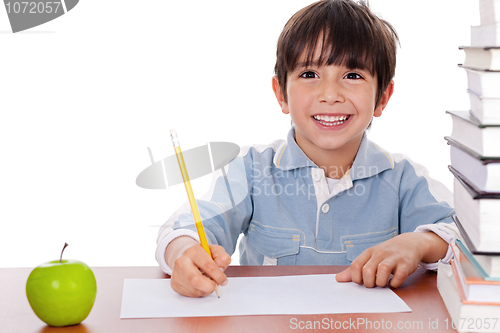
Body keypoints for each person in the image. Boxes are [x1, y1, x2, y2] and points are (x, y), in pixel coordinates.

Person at [155, 0, 458, 298]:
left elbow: (465, 236)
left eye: (352, 75)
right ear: (280, 93)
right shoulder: (250, 169)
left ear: (382, 97)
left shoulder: (403, 179)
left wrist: (419, 244)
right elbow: (180, 229)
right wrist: (183, 251)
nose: (329, 95)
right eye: (309, 74)